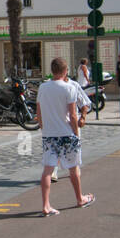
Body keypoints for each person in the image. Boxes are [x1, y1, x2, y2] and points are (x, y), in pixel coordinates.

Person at [36, 57, 94, 215]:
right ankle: (79, 198)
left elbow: (39, 112)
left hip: (49, 134)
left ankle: (46, 205)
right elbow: (72, 114)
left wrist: (43, 127)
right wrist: (75, 132)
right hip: (66, 133)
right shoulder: (68, 88)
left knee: (47, 170)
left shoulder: (43, 87)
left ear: (52, 70)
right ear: (65, 71)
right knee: (74, 168)